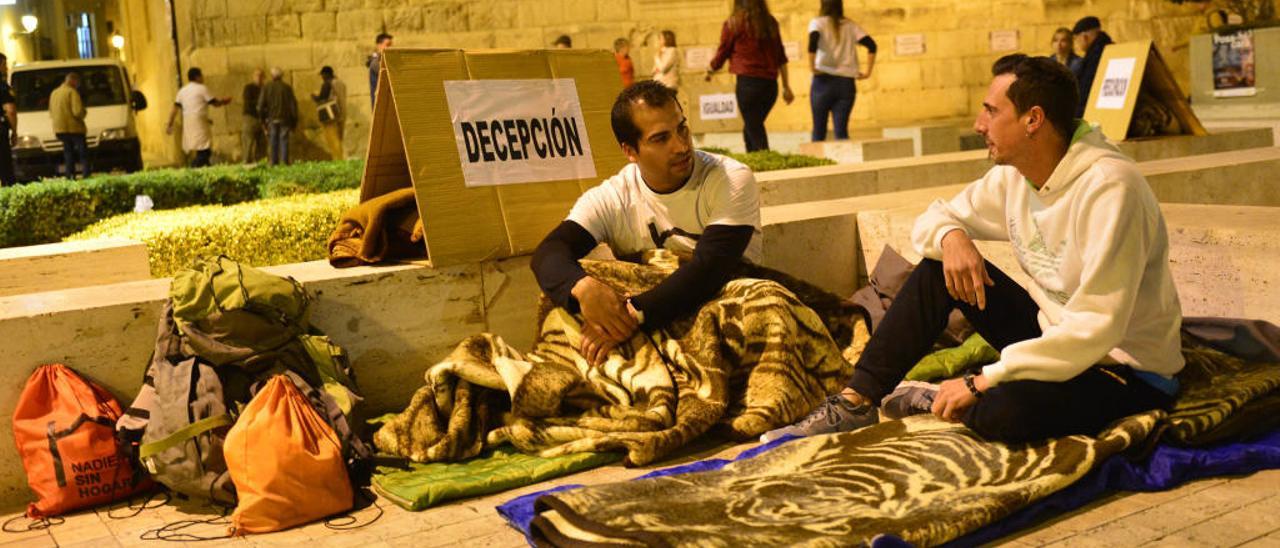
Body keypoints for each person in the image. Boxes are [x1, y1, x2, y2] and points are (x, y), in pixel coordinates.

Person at [763, 54, 1183, 444]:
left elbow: (1096, 326)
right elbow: (932, 220)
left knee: (1003, 414)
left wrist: (981, 381)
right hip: (1054, 336)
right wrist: (953, 238)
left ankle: (938, 396)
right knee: (935, 268)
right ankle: (856, 400)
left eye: (991, 111)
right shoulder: (1015, 176)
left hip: (1122, 368)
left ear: (1033, 119)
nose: (979, 124)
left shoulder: (1111, 188)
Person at [531, 80, 762, 366]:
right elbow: (549, 252)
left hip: (726, 313)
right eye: (661, 138)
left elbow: (711, 268)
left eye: (682, 128)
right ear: (630, 151)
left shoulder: (729, 178)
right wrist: (582, 287)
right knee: (565, 300)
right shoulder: (613, 197)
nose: (681, 146)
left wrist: (630, 316)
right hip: (649, 323)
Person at [707, 0, 795, 152]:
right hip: (770, 86)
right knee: (752, 125)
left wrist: (710, 69)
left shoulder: (734, 23)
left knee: (754, 127)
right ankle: (752, 161)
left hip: (748, 84)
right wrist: (786, 87)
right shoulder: (770, 22)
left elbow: (723, 52)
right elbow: (781, 57)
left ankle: (767, 162)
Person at [807, 0, 876, 142]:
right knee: (842, 132)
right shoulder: (850, 25)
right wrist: (868, 72)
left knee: (819, 131)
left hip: (823, 81)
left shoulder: (817, 23)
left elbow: (813, 41)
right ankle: (845, 164)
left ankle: (818, 164)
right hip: (846, 82)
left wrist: (812, 66)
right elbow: (872, 45)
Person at [167, 67, 232, 168]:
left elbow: (175, 109)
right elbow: (215, 103)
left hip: (188, 122)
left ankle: (206, 170)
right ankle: (192, 169)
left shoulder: (182, 91)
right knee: (204, 150)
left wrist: (169, 124)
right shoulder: (202, 88)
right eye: (201, 75)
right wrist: (224, 101)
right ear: (197, 77)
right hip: (199, 122)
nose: (203, 77)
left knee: (200, 149)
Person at [50, 73, 90, 178]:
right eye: (77, 82)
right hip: (74, 128)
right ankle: (86, 174)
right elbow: (77, 111)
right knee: (83, 153)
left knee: (68, 152)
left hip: (60, 129)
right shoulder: (72, 92)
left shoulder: (54, 93)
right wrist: (84, 112)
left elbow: (51, 111)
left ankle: (70, 175)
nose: (78, 85)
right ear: (73, 81)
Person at [1071, 16, 1113, 117]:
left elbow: (1086, 87)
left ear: (1084, 37)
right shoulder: (1108, 48)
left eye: (1077, 39)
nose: (1077, 44)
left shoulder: (1095, 55)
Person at [257, 67, 297, 166]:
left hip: (272, 118)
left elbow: (260, 106)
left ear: (272, 76)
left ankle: (273, 162)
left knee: (273, 140)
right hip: (285, 119)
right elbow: (293, 105)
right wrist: (294, 121)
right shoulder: (287, 88)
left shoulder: (267, 87)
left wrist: (262, 120)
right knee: (284, 140)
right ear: (282, 76)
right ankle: (284, 162)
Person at [312, 66, 347, 160]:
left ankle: (338, 159)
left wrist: (314, 97)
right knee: (339, 138)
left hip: (331, 115)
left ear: (326, 74)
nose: (322, 77)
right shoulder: (341, 83)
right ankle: (340, 158)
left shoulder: (327, 84)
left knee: (332, 139)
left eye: (322, 75)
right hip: (342, 113)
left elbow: (322, 98)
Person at [241, 68, 266, 163]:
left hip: (262, 118)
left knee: (262, 142)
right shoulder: (249, 88)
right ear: (253, 76)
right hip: (250, 117)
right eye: (256, 75)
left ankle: (260, 161)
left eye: (261, 76)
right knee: (248, 141)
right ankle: (246, 161)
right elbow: (248, 102)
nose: (258, 78)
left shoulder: (265, 88)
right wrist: (261, 104)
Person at [0, 53, 16, 185]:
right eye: (4, 64)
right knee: (5, 169)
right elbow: (10, 111)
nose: (6, 68)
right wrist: (15, 132)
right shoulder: (2, 86)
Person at [368, 33, 393, 109]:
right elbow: (388, 77)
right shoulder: (376, 62)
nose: (390, 48)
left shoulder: (384, 60)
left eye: (391, 45)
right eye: (388, 45)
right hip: (380, 105)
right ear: (379, 45)